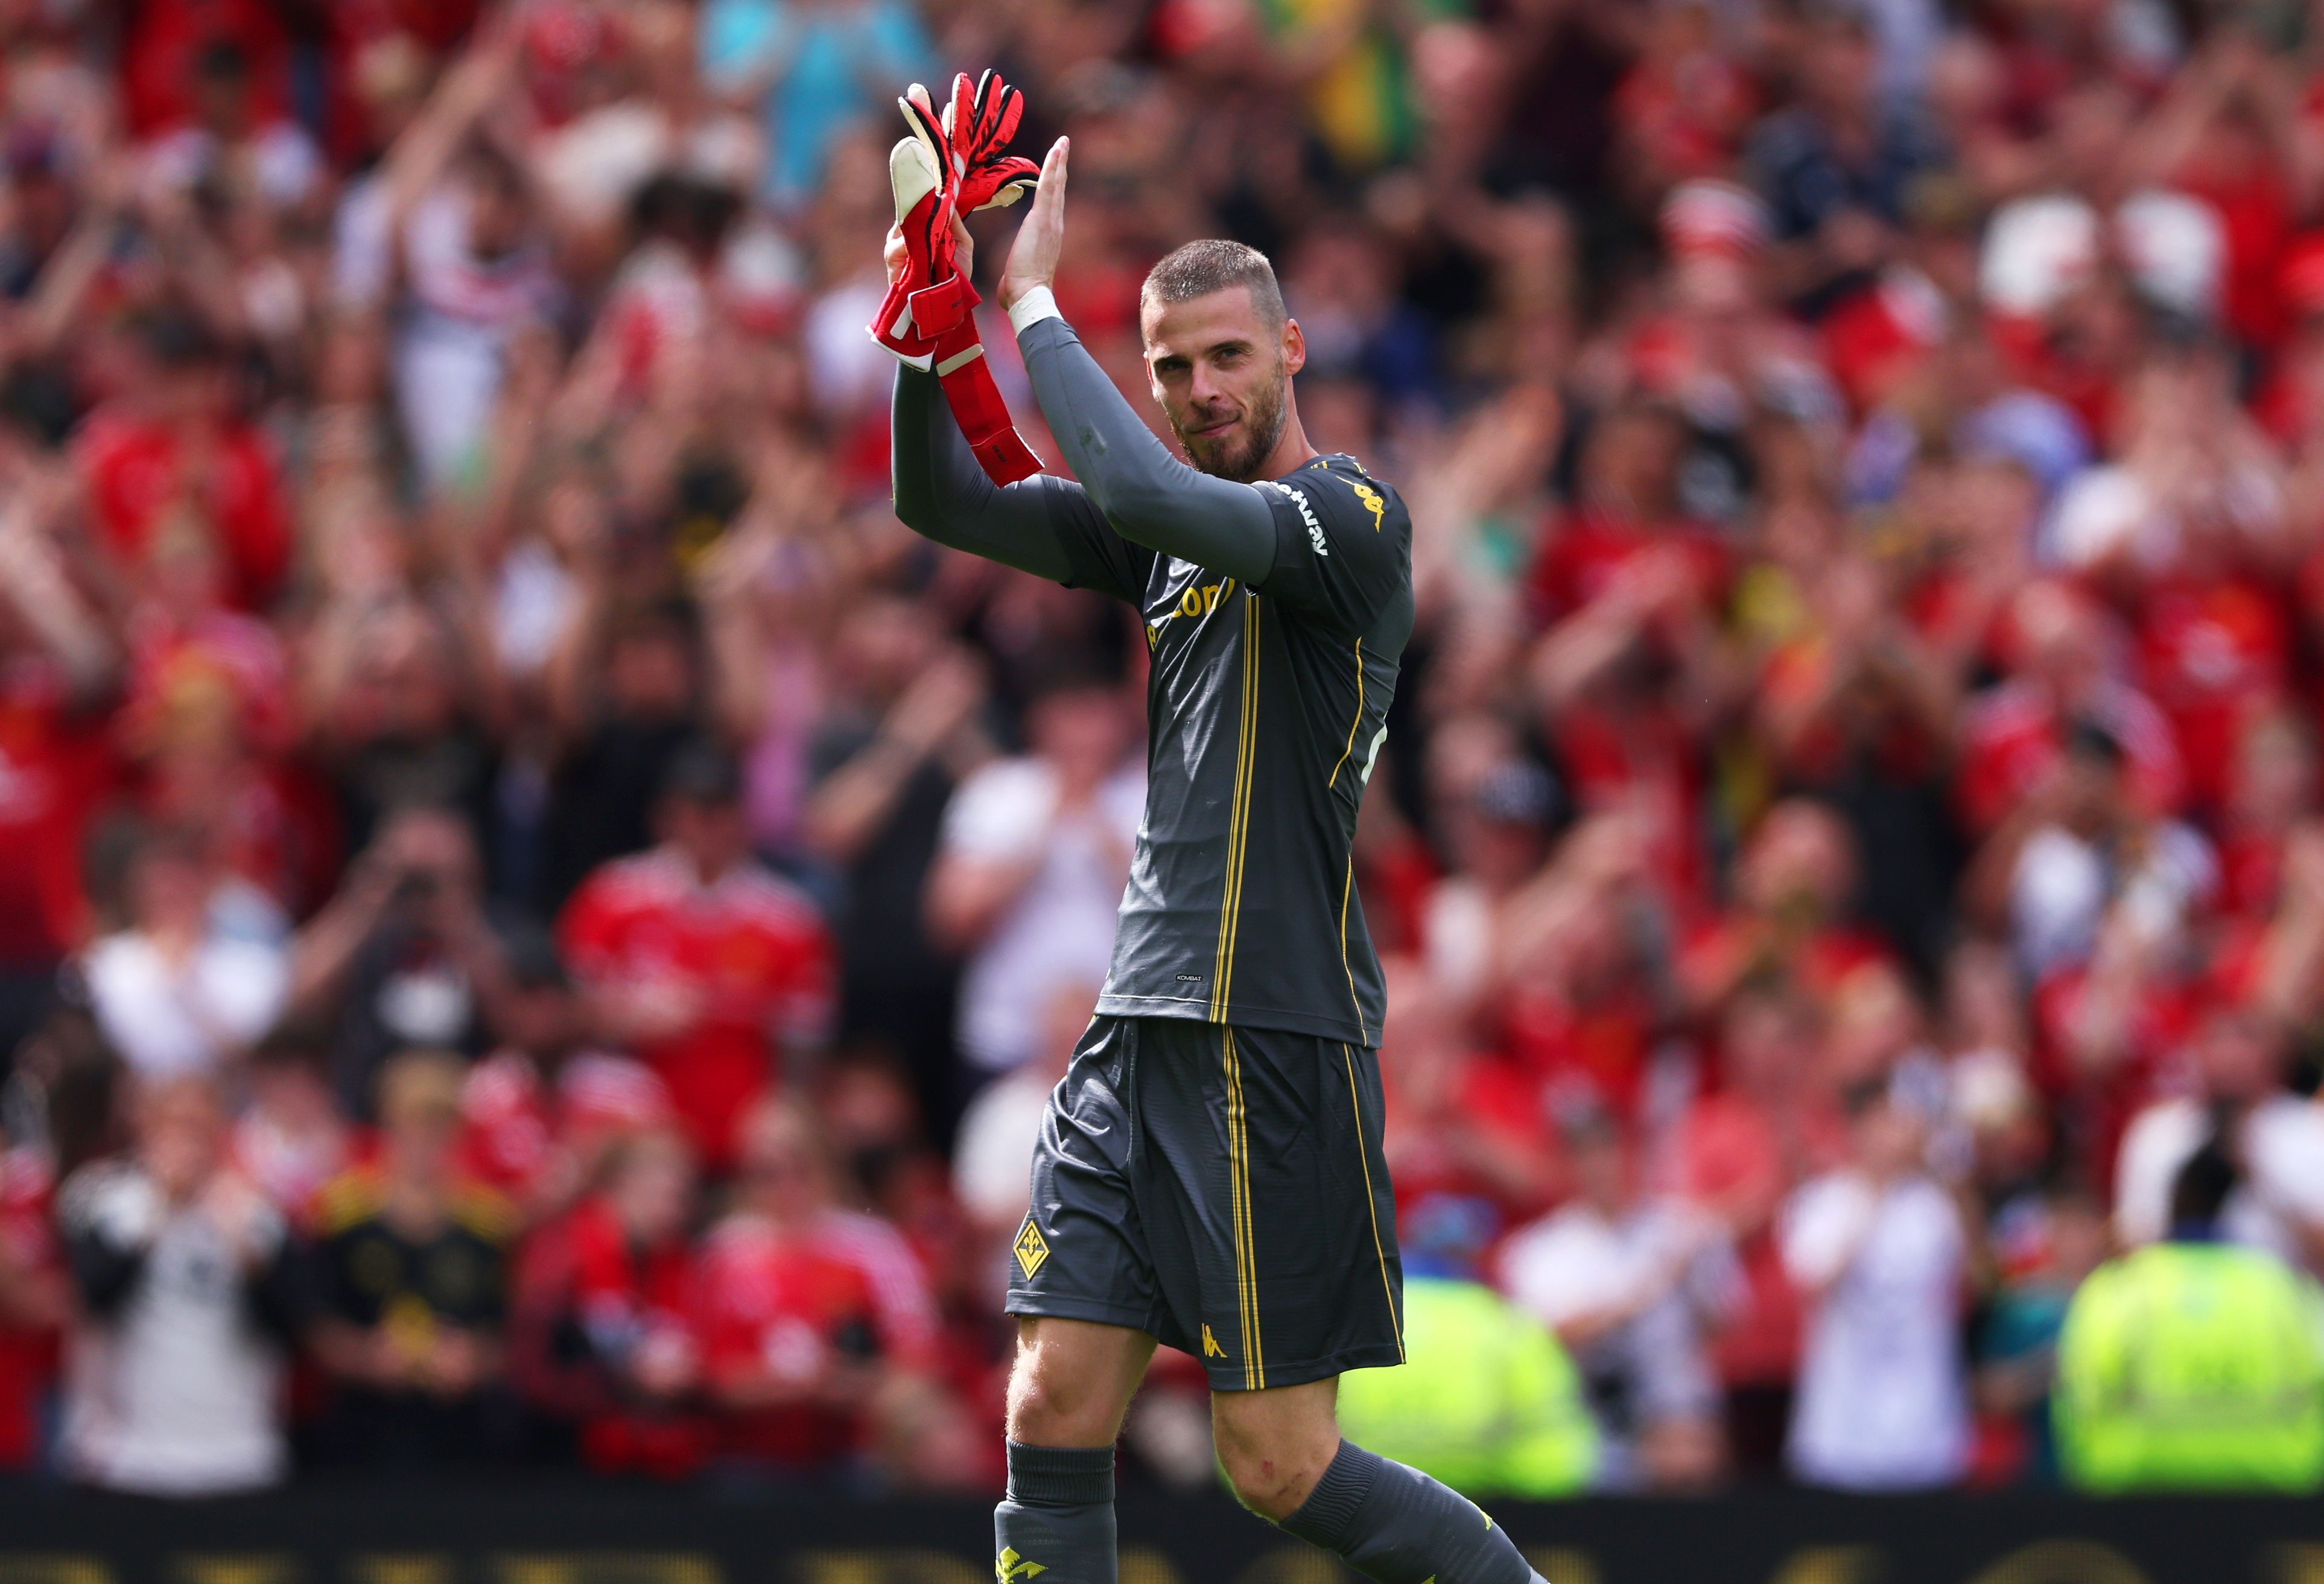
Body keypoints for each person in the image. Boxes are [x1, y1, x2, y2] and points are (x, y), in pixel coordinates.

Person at [890, 139, 1544, 1584]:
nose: (1200, 392)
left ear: (1293, 349)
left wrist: (1037, 305)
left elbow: (1145, 493)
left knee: (1276, 1466)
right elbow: (940, 503)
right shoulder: (1164, 536)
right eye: (1174, 369)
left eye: (1226, 358)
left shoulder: (1349, 520)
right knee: (1053, 1396)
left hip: (1272, 1029)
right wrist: (927, 339)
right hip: (1138, 1024)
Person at [55, 1074, 300, 1494]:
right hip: (132, 1456)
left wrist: (246, 1254)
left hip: (237, 1454)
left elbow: (288, 1325)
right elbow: (95, 1302)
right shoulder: (105, 1204)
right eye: (171, 1124)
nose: (184, 1141)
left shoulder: (256, 1212)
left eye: (196, 1126)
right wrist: (159, 1210)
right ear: (146, 1128)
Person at [2056, 1142, 2324, 1492]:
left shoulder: (2119, 1289)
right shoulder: (2284, 1290)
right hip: (2270, 1494)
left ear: (2174, 1202)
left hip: (2136, 1497)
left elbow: (2080, 1393)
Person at [1780, 1074, 1970, 1490]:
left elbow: (1979, 1279)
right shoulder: (1822, 1201)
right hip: (1841, 1434)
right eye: (1886, 1122)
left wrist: (1951, 1175)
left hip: (1924, 1432)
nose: (1899, 1134)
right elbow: (1817, 1280)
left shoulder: (1933, 1204)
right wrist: (1877, 1190)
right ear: (1857, 1129)